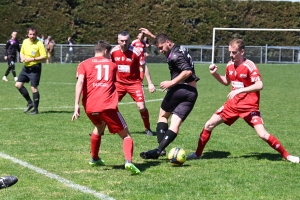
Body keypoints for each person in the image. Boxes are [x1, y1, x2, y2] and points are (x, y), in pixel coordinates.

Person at [187, 38, 299, 164]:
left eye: (234, 52)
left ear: (242, 52)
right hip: (232, 106)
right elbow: (226, 82)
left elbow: (260, 85)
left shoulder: (249, 66)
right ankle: (197, 154)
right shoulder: (229, 65)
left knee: (262, 134)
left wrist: (240, 91)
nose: (231, 55)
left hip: (249, 107)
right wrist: (215, 74)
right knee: (208, 125)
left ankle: (288, 156)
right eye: (230, 52)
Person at [71, 40, 141, 175]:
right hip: (107, 105)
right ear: (105, 52)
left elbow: (79, 81)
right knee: (126, 136)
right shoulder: (112, 65)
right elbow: (115, 80)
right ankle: (128, 162)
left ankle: (94, 158)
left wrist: (76, 105)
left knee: (99, 126)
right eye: (108, 53)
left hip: (90, 107)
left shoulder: (83, 64)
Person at [139, 28, 200, 159]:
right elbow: (163, 41)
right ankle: (158, 149)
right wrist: (151, 35)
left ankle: (160, 150)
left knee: (163, 115)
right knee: (175, 123)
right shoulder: (178, 48)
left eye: (161, 48)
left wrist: (171, 83)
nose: (161, 51)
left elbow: (187, 72)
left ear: (168, 42)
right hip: (192, 92)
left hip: (180, 89)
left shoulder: (175, 56)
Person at [110, 31, 156, 136]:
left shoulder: (136, 52)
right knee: (109, 106)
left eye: (126, 41)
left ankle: (147, 128)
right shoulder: (113, 52)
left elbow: (144, 66)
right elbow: (110, 66)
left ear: (129, 41)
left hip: (134, 83)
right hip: (119, 84)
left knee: (141, 107)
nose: (124, 43)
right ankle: (100, 128)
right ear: (118, 41)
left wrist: (150, 83)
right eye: (122, 41)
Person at [16, 27, 47, 115]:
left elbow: (44, 56)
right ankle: (30, 103)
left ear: (36, 35)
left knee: (33, 88)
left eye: (34, 34)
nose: (32, 36)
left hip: (35, 67)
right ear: (28, 34)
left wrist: (33, 59)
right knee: (18, 85)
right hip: (26, 68)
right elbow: (21, 52)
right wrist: (22, 57)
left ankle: (36, 110)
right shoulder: (25, 41)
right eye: (30, 34)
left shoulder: (39, 43)